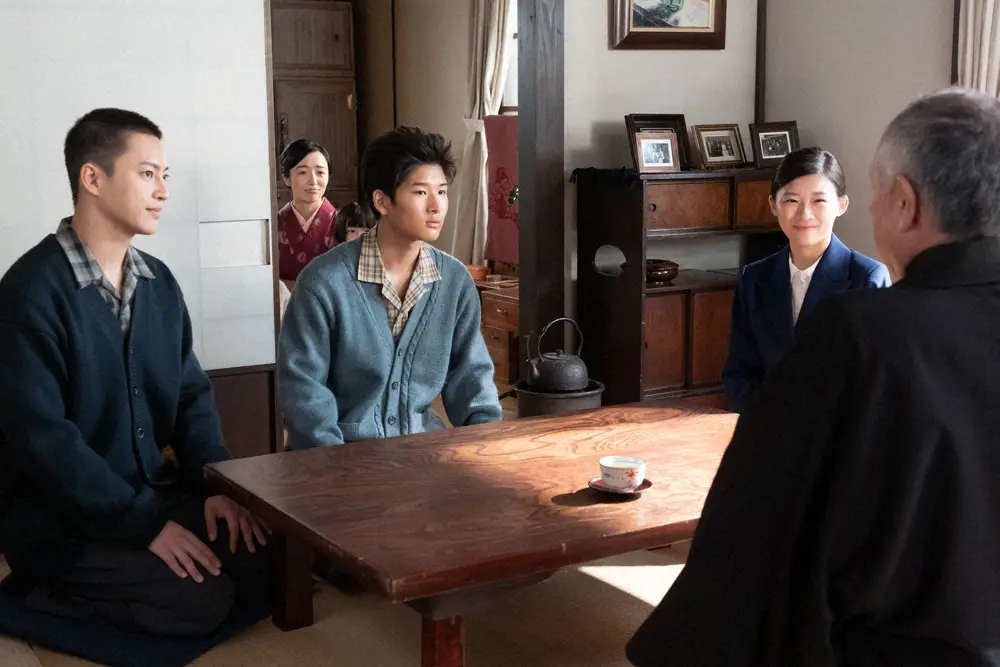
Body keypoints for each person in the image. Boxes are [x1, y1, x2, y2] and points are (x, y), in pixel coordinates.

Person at [627, 87, 1000, 666]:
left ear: (904, 202)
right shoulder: (773, 284)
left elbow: (756, 521)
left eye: (874, 196)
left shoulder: (861, 328)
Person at [0, 108, 269, 637]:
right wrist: (145, 527)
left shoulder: (157, 283)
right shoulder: (29, 293)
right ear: (93, 178)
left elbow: (191, 396)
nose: (163, 191)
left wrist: (216, 484)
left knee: (268, 561)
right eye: (147, 174)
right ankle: (40, 594)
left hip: (150, 494)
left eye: (164, 175)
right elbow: (46, 443)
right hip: (62, 519)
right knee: (201, 601)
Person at [278, 126, 501, 449]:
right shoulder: (323, 282)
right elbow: (304, 394)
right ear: (381, 201)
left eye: (442, 191)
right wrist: (336, 468)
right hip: (338, 461)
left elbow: (471, 380)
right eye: (420, 192)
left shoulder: (454, 281)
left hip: (424, 456)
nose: (436, 206)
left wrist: (487, 447)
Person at [722, 147, 890, 412]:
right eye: (791, 200)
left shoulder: (867, 278)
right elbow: (740, 373)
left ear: (841, 205)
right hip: (767, 426)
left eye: (819, 201)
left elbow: (875, 384)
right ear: (773, 205)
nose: (804, 214)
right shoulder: (754, 278)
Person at [276, 138, 338, 286]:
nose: (313, 181)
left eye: (320, 172)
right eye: (303, 172)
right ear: (287, 178)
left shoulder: (344, 224)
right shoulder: (274, 226)